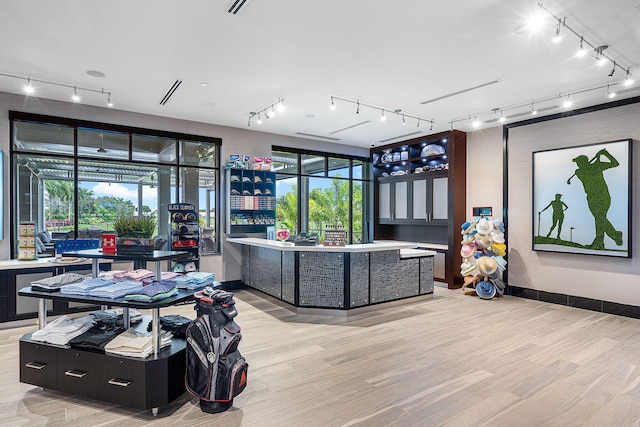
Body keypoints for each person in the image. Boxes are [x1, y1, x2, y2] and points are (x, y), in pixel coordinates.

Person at [568, 148, 623, 249]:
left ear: (583, 162)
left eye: (578, 162)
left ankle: (609, 237)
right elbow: (590, 171)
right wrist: (601, 156)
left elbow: (615, 163)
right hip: (591, 198)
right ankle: (602, 241)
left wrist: (605, 154)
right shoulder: (580, 172)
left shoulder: (590, 168)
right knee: (599, 219)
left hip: (602, 196)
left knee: (599, 218)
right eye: (577, 163)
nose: (577, 165)